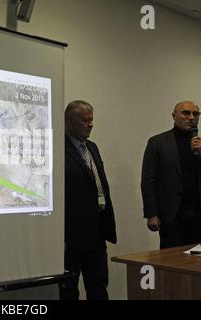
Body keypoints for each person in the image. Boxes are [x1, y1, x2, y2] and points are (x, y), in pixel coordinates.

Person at [141, 101, 201, 249]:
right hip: (171, 215)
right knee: (171, 264)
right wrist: (151, 213)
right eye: (186, 113)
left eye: (195, 114)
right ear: (174, 116)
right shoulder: (158, 142)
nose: (191, 117)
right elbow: (148, 180)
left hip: (197, 216)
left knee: (196, 264)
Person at [61, 100, 117, 300]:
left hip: (97, 229)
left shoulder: (92, 147)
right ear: (69, 120)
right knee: (68, 289)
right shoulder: (57, 148)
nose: (90, 124)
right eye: (85, 120)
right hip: (71, 234)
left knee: (99, 285)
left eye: (91, 120)